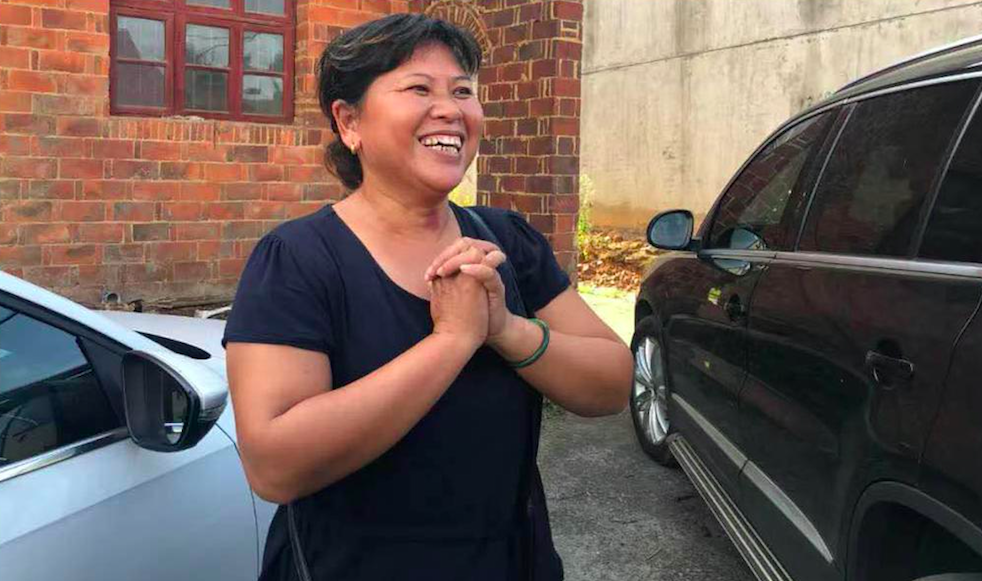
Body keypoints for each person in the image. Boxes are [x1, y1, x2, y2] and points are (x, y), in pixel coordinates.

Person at [223, 13, 633, 581]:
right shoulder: (298, 259)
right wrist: (452, 341)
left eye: (462, 91)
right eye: (419, 88)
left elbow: (612, 383)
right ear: (349, 122)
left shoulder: (507, 242)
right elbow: (275, 467)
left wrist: (506, 329)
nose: (450, 110)